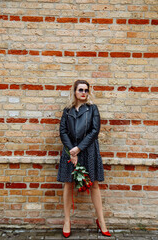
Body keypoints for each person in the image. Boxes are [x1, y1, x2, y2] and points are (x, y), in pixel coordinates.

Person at [57, 80, 111, 238]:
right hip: (70, 150)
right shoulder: (67, 110)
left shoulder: (93, 109)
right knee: (68, 184)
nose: (84, 93)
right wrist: (72, 152)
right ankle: (67, 221)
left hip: (88, 150)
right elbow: (62, 131)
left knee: (94, 185)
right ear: (74, 91)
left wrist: (79, 148)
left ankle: (101, 221)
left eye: (86, 90)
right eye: (80, 90)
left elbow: (95, 130)